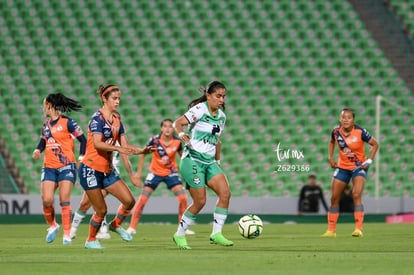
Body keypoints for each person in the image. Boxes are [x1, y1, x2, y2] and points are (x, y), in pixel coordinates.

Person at [79, 84, 154, 249]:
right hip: (90, 170)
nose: (118, 101)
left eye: (119, 98)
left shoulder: (117, 121)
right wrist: (118, 148)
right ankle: (90, 240)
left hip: (107, 171)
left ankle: (115, 225)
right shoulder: (96, 119)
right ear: (104, 99)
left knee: (129, 201)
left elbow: (126, 147)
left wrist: (142, 151)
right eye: (114, 98)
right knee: (101, 210)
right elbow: (98, 144)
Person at [172, 80, 232, 249]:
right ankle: (180, 235)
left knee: (225, 193)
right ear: (208, 96)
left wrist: (218, 162)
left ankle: (216, 233)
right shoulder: (199, 109)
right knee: (200, 201)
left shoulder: (222, 117)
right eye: (218, 96)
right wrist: (182, 133)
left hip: (210, 162)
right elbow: (177, 122)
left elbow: (217, 141)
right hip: (192, 160)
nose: (221, 100)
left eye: (223, 97)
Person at [32, 93, 87, 245]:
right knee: (47, 199)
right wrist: (37, 150)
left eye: (44, 105)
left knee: (64, 200)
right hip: (49, 166)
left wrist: (81, 157)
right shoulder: (46, 125)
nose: (44, 108)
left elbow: (83, 139)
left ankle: (67, 235)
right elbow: (43, 141)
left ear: (50, 105)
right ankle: (53, 225)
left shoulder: (68, 123)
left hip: (66, 166)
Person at [126, 119, 194, 235]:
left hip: (171, 173)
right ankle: (132, 227)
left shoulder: (177, 142)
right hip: (155, 173)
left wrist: (188, 172)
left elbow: (183, 158)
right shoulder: (154, 140)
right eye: (165, 126)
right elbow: (143, 154)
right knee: (142, 199)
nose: (168, 129)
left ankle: (182, 228)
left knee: (183, 198)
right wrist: (138, 174)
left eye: (170, 127)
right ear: (161, 128)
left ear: (173, 129)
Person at [322, 108, 379, 237]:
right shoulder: (336, 132)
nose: (345, 120)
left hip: (359, 167)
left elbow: (375, 144)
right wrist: (330, 157)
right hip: (342, 168)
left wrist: (369, 160)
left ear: (353, 120)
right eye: (343, 117)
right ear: (339, 119)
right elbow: (331, 142)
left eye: (349, 117)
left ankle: (358, 229)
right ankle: (331, 230)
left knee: (356, 194)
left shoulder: (360, 132)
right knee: (334, 198)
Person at [70, 148, 137, 240]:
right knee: (86, 204)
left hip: (111, 175)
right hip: (97, 171)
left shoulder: (118, 139)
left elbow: (125, 159)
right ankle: (72, 231)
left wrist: (131, 176)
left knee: (101, 205)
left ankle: (107, 229)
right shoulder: (99, 137)